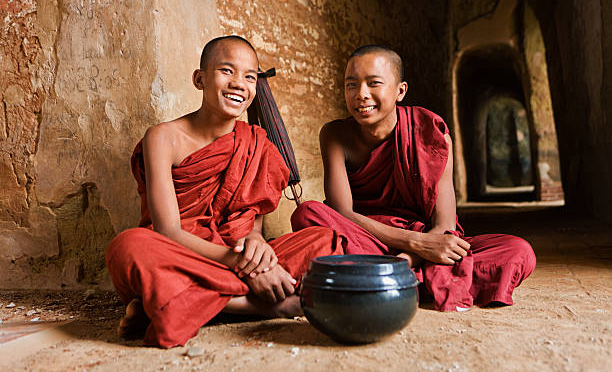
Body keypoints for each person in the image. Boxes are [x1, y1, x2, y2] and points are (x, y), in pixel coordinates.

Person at [105, 36, 345, 348]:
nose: (239, 84)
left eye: (249, 77)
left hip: (232, 255)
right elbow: (167, 230)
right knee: (129, 246)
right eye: (227, 71)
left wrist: (257, 252)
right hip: (181, 253)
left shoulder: (257, 145)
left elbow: (251, 230)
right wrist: (241, 264)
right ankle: (258, 306)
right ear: (200, 78)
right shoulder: (162, 138)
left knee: (324, 240)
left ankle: (170, 302)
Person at [291, 45, 536, 311]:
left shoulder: (431, 132)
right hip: (365, 237)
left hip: (419, 243)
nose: (361, 95)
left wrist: (412, 255)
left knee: (518, 250)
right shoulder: (335, 135)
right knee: (308, 213)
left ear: (400, 91)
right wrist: (415, 245)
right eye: (351, 85)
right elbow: (342, 212)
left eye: (373, 83)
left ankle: (376, 280)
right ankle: (409, 281)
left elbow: (444, 224)